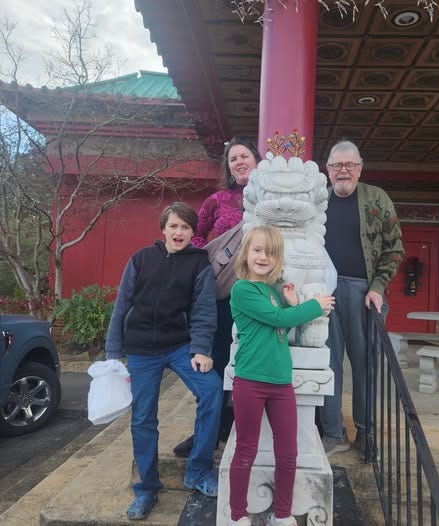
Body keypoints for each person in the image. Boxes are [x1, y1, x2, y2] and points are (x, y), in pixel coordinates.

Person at [105, 202, 222, 520]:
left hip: (180, 346)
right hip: (141, 350)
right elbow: (122, 304)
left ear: (193, 232)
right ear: (163, 229)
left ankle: (198, 471)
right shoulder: (141, 259)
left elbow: (204, 310)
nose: (179, 232)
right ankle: (146, 488)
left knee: (212, 390)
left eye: (185, 227)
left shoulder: (199, 263)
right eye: (174, 226)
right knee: (143, 418)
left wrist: (201, 349)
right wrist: (113, 352)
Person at [229, 225, 335, 526]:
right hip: (250, 381)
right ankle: (237, 515)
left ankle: (283, 514)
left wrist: (291, 303)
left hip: (280, 382)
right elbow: (277, 319)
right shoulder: (242, 289)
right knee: (246, 450)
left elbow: (279, 327)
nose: (264, 257)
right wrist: (314, 306)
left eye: (271, 253)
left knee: (288, 453)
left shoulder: (271, 291)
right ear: (246, 254)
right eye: (257, 250)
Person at [174, 137, 262, 458]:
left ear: (257, 160)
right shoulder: (218, 200)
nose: (239, 162)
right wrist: (205, 263)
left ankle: (243, 429)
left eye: (244, 156)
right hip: (223, 296)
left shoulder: (270, 197)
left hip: (260, 295)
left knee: (251, 364)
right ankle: (209, 432)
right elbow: (196, 233)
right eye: (233, 159)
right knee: (218, 363)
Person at [319, 140, 404, 457]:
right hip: (324, 293)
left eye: (349, 165)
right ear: (328, 169)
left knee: (366, 364)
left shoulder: (376, 198)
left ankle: (366, 433)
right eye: (336, 165)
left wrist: (378, 287)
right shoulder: (319, 200)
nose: (343, 171)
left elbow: (394, 248)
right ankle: (332, 433)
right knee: (327, 364)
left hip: (363, 293)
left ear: (360, 168)